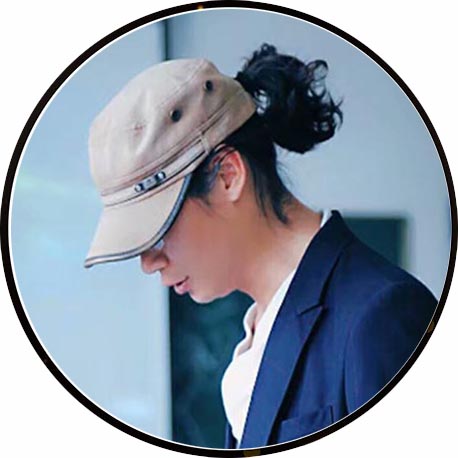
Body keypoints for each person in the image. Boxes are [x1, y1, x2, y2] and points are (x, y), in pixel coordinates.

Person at [84, 44, 437, 448]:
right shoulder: (255, 342)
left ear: (228, 177)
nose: (148, 262)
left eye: (157, 227)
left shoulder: (379, 315)